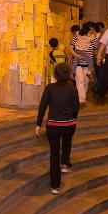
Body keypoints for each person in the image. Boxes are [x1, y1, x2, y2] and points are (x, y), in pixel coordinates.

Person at [36, 63, 80, 195]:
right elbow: (76, 107)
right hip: (69, 125)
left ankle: (55, 185)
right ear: (68, 75)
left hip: (53, 126)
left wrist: (38, 124)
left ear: (55, 75)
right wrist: (72, 118)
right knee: (67, 141)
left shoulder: (50, 88)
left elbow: (42, 107)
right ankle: (65, 164)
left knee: (54, 154)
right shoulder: (72, 89)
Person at [72, 23, 96, 106]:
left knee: (86, 82)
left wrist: (94, 36)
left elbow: (95, 47)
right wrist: (76, 55)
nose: (92, 31)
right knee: (80, 81)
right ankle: (81, 99)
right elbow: (71, 47)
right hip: (78, 63)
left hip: (88, 64)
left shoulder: (93, 37)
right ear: (86, 29)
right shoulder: (77, 35)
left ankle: (82, 98)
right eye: (91, 29)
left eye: (93, 30)